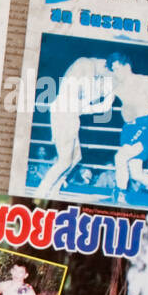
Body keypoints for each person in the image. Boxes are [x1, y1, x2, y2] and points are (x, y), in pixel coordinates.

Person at [35, 55, 114, 198]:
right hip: (64, 113)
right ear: (106, 67)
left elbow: (85, 106)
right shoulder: (86, 64)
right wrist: (108, 95)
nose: (107, 78)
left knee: (76, 157)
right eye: (109, 74)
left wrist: (106, 100)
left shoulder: (89, 71)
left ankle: (54, 190)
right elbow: (89, 100)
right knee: (65, 160)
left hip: (69, 114)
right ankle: (39, 194)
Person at [106, 52, 148, 200]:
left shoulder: (144, 81)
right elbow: (105, 103)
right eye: (113, 70)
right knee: (136, 173)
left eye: (117, 68)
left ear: (127, 66)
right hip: (128, 129)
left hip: (144, 126)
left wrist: (137, 111)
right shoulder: (117, 87)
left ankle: (120, 194)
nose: (116, 73)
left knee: (120, 157)